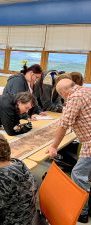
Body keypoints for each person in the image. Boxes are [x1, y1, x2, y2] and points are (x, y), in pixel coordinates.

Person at [47, 78, 91, 223]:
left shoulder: (74, 98)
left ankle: (82, 213)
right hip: (87, 140)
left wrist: (53, 146)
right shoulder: (86, 90)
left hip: (89, 142)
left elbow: (64, 125)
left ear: (64, 93)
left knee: (78, 174)